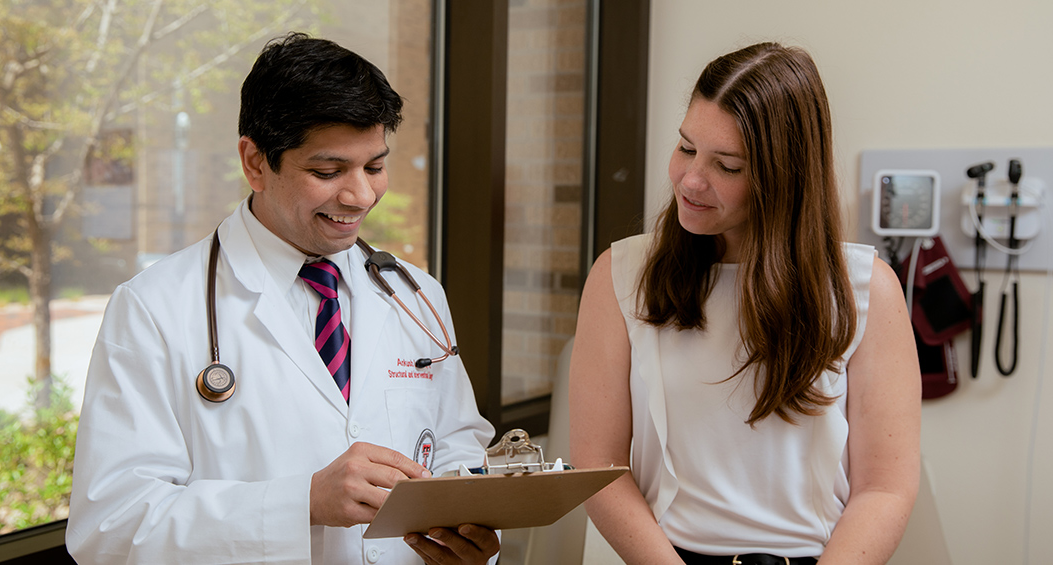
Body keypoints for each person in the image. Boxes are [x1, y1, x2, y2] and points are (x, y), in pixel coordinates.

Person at [66, 33, 500, 565]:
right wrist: (303, 502)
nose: (360, 196)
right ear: (254, 162)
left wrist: (470, 534)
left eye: (374, 166)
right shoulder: (154, 308)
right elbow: (111, 529)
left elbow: (457, 445)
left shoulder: (414, 294)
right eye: (328, 171)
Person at [569, 42, 921, 565]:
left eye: (726, 166)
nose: (690, 180)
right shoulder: (621, 276)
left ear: (784, 178)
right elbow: (597, 465)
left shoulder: (864, 290)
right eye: (686, 148)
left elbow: (885, 489)